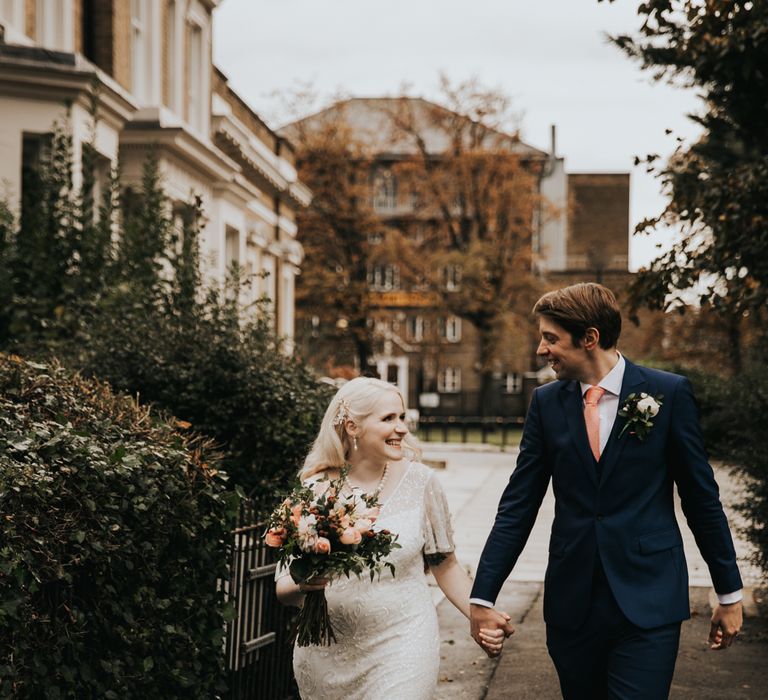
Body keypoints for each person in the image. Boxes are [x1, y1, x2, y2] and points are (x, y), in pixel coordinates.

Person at [469, 282, 743, 699]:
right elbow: (518, 506)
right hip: (572, 605)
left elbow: (701, 499)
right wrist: (482, 597)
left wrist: (729, 593)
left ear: (590, 338)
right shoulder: (546, 403)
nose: (541, 350)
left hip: (648, 600)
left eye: (550, 338)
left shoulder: (667, 394)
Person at [276, 376, 511, 699]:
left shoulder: (421, 482)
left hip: (404, 641)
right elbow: (283, 588)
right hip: (327, 651)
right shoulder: (314, 490)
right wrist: (306, 582)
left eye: (402, 417)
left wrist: (480, 615)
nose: (402, 428)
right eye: (388, 419)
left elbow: (446, 565)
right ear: (352, 427)